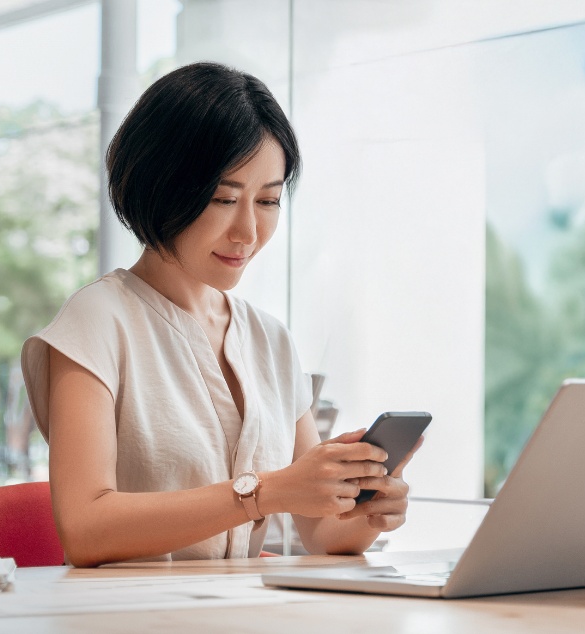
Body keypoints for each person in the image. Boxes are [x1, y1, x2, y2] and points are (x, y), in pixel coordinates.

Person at [21, 62, 421, 567]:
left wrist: (365, 506)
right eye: (224, 198)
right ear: (162, 185)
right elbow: (84, 529)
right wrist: (266, 492)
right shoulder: (97, 320)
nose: (249, 232)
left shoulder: (270, 340)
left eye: (269, 200)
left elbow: (322, 533)